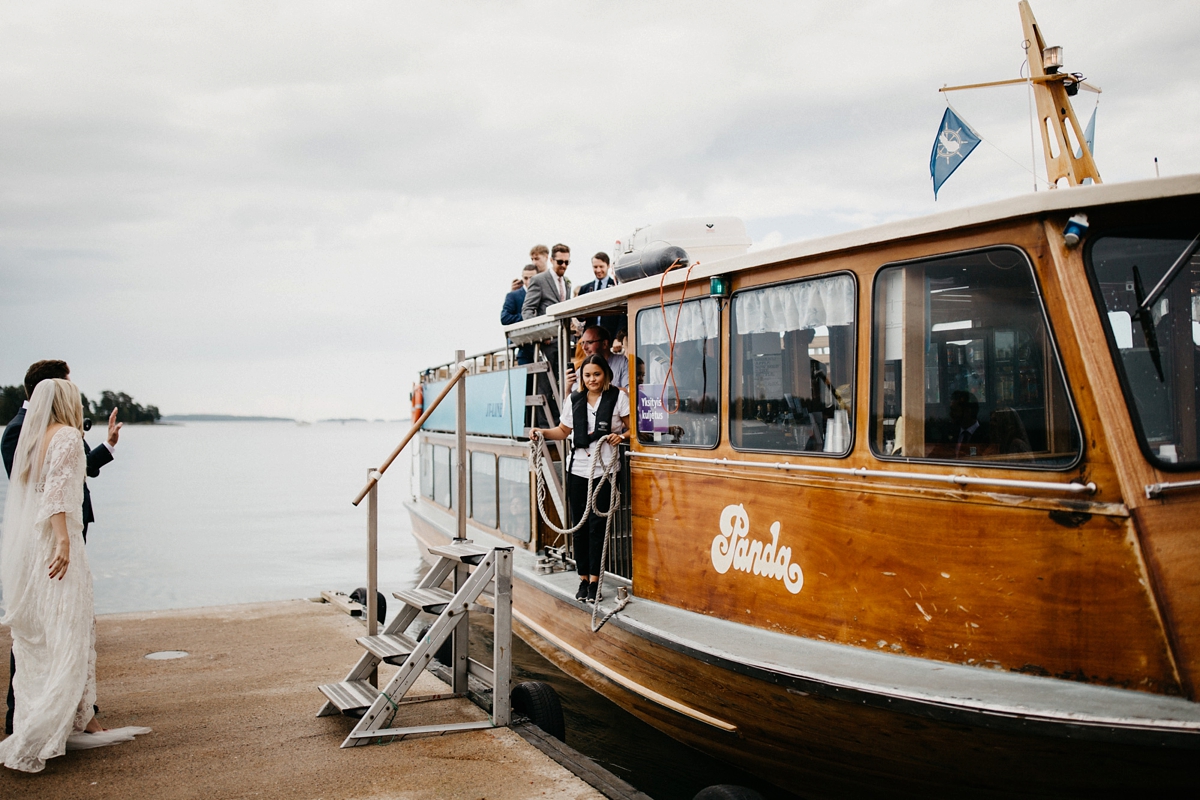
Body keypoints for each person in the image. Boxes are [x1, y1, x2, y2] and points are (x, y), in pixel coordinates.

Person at [0, 379, 148, 773]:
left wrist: (109, 445)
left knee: (51, 629)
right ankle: (47, 723)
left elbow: (57, 481)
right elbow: (56, 495)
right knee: (69, 626)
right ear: (65, 401)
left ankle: (71, 717)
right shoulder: (62, 435)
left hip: (37, 543)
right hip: (60, 540)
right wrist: (64, 541)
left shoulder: (37, 436)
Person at [530, 355, 630, 604]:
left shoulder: (619, 397)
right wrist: (541, 432)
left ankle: (596, 581)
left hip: (605, 471)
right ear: (582, 378)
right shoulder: (573, 399)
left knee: (597, 528)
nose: (592, 379)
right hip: (578, 471)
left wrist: (622, 436)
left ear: (605, 374)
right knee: (579, 527)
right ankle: (583, 578)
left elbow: (633, 428)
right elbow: (563, 431)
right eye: (587, 375)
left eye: (596, 374)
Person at [568, 324, 629, 391]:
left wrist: (599, 389)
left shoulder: (623, 362)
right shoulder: (581, 369)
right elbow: (572, 399)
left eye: (589, 342)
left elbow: (629, 392)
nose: (584, 347)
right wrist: (567, 388)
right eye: (583, 343)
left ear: (604, 344)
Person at [576, 252, 625, 335]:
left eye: (601, 267)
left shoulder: (617, 286)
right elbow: (580, 317)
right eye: (595, 267)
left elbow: (622, 315)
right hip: (591, 335)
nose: (598, 270)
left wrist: (618, 337)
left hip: (611, 335)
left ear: (608, 266)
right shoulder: (585, 289)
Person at [502, 264, 538, 365]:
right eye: (525, 278)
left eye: (532, 278)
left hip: (543, 343)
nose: (529, 281)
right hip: (524, 346)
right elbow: (504, 318)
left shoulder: (543, 292)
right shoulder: (513, 296)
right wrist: (527, 316)